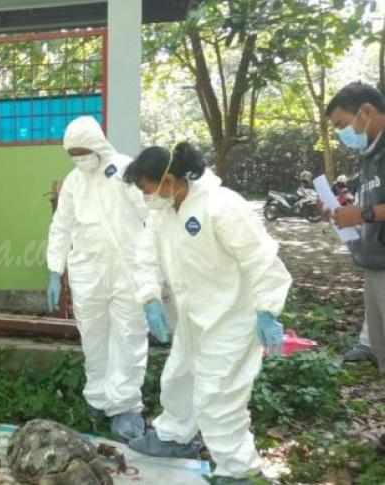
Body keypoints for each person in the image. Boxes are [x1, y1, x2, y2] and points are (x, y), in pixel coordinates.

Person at [124, 142, 292, 484]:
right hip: (193, 315)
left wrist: (267, 310)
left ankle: (240, 471)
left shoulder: (222, 205)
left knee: (219, 397)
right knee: (179, 378)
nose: (145, 198)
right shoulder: (164, 210)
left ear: (168, 180)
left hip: (232, 318)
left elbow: (260, 259)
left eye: (146, 189)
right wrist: (150, 298)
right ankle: (174, 438)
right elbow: (145, 257)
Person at [45, 116, 149, 443]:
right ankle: (98, 397)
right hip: (88, 271)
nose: (78, 158)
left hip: (128, 271)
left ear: (97, 145)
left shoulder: (125, 170)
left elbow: (152, 216)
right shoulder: (74, 181)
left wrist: (157, 269)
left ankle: (125, 406)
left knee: (128, 337)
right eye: (72, 153)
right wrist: (54, 270)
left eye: (82, 151)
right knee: (93, 336)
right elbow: (61, 226)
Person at [325, 81, 385, 374]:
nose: (341, 135)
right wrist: (339, 210)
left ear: (366, 112)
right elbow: (365, 205)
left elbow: (367, 212)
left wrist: (362, 214)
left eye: (342, 124)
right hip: (375, 266)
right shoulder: (370, 156)